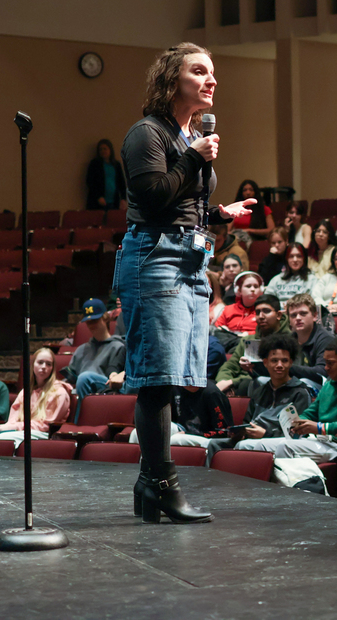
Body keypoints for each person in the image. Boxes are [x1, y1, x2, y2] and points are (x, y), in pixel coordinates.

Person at [116, 43, 257, 523]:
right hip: (155, 257)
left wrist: (219, 214)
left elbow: (183, 204)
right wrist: (195, 159)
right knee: (157, 377)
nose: (211, 80)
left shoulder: (191, 133)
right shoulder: (147, 133)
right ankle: (160, 483)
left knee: (175, 377)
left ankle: (148, 481)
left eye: (213, 72)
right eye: (199, 71)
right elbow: (152, 197)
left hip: (190, 257)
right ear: (171, 79)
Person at [234, 335, 337, 462]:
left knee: (285, 447)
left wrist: (321, 428)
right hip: (320, 440)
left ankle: (281, 494)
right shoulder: (330, 383)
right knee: (259, 445)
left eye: (331, 363)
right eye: (325, 362)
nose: (326, 368)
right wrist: (298, 422)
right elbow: (312, 411)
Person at [203, 333, 313, 462]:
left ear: (291, 363)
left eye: (284, 361)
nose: (279, 365)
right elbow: (248, 421)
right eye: (274, 360)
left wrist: (265, 435)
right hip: (252, 440)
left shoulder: (300, 392)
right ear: (265, 362)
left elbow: (296, 433)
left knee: (242, 446)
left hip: (278, 443)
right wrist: (241, 432)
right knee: (214, 445)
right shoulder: (260, 390)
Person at [0, 347, 71, 447]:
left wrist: (15, 427)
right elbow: (14, 418)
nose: (44, 367)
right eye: (40, 362)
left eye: (48, 364)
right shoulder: (26, 392)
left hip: (43, 433)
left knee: (3, 440)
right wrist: (8, 426)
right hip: (22, 431)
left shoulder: (59, 393)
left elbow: (46, 425)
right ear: (33, 365)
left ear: (52, 368)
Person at [62, 298, 127, 420]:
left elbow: (116, 378)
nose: (91, 325)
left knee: (85, 378)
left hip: (105, 393)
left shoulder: (118, 346)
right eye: (88, 322)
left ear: (105, 318)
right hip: (81, 390)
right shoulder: (81, 349)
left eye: (95, 320)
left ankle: (81, 421)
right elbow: (71, 376)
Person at [216, 294, 291, 396]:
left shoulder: (289, 341)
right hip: (240, 384)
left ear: (278, 315)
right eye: (258, 312)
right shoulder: (248, 340)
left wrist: (232, 382)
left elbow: (279, 373)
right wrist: (223, 382)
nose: (261, 316)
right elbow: (229, 366)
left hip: (266, 386)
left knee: (248, 384)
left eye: (266, 311)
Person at [284, 293, 333, 391]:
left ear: (315, 316)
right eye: (293, 315)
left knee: (303, 382)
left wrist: (289, 368)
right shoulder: (287, 340)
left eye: (303, 313)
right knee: (260, 381)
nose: (298, 318)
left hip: (321, 387)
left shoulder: (326, 339)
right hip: (291, 381)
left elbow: (323, 371)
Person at [214, 271, 264, 349]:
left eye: (256, 286)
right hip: (228, 339)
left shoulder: (263, 311)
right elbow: (218, 327)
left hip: (251, 343)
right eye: (248, 286)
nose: (252, 289)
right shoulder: (228, 309)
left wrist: (248, 334)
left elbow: (265, 331)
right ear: (239, 290)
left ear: (261, 291)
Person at [264, 243, 317, 308]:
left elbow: (314, 302)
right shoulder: (276, 279)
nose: (295, 260)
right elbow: (267, 300)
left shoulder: (312, 279)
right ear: (286, 259)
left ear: (304, 258)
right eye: (291, 256)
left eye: (299, 256)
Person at [86, 138, 127, 211]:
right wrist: (98, 197)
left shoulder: (116, 165)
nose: (102, 151)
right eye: (100, 149)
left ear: (110, 150)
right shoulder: (94, 164)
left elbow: (121, 183)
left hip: (114, 202)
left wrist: (123, 198)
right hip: (98, 203)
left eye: (105, 149)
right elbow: (90, 182)